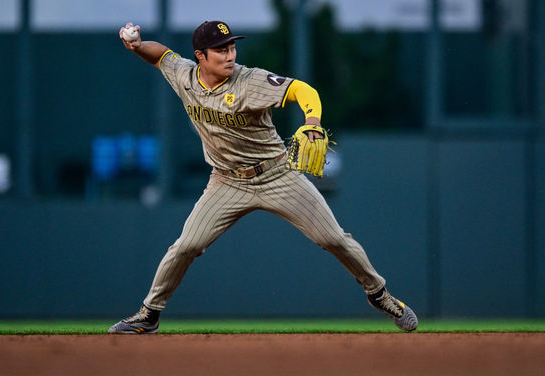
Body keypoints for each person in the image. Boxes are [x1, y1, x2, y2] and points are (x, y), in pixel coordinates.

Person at [108, 20, 418, 334]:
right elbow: (162, 56)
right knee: (186, 245)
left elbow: (302, 89)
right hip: (226, 181)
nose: (230, 55)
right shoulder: (185, 76)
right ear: (200, 56)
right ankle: (149, 315)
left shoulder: (249, 80)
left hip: (276, 175)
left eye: (231, 47)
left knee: (333, 238)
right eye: (220, 50)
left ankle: (379, 294)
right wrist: (137, 47)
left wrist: (312, 121)